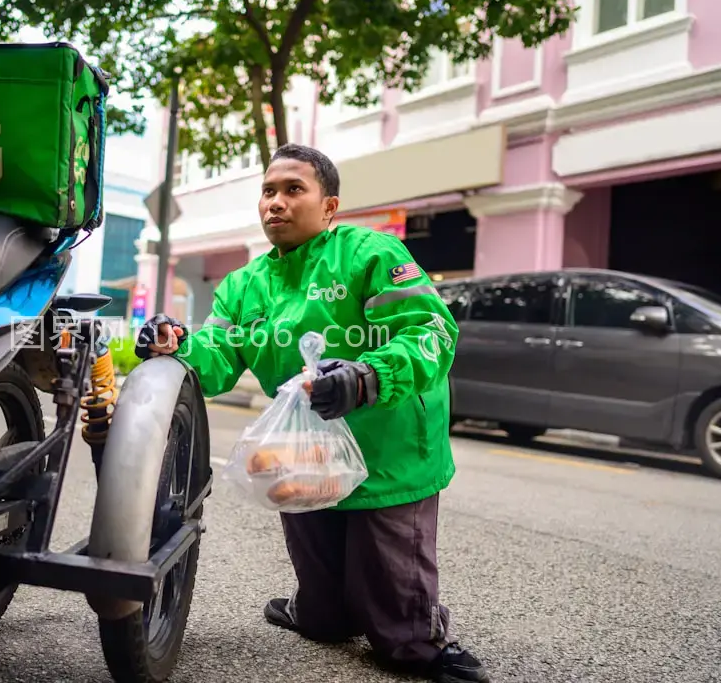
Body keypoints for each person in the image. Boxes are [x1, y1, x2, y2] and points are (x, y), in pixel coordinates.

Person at [134, 143, 489, 683]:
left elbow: (432, 332)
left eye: (293, 189)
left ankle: (423, 637)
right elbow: (219, 359)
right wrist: (175, 344)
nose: (275, 202)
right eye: (269, 191)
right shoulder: (244, 285)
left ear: (329, 206)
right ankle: (321, 611)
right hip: (305, 457)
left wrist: (368, 376)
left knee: (398, 638)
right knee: (324, 618)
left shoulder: (373, 255)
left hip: (386, 452)